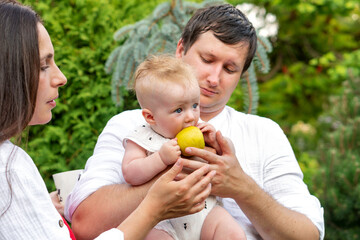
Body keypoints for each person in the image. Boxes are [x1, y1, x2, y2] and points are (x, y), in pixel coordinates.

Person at [66, 4, 325, 240]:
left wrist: (242, 187)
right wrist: (169, 179)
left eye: (229, 68)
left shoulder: (264, 134)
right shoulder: (131, 127)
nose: (214, 78)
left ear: (241, 75)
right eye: (207, 59)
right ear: (181, 50)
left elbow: (308, 235)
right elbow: (84, 224)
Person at [0, 1, 216, 240]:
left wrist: (40, 209)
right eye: (43, 66)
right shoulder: (9, 168)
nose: (61, 78)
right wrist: (152, 209)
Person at [122, 54, 246, 240]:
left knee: (232, 233)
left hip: (205, 210)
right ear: (151, 117)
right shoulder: (141, 137)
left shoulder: (200, 130)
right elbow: (130, 173)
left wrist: (216, 141)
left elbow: (227, 158)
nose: (190, 116)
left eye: (194, 105)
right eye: (179, 110)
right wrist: (160, 159)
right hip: (163, 219)